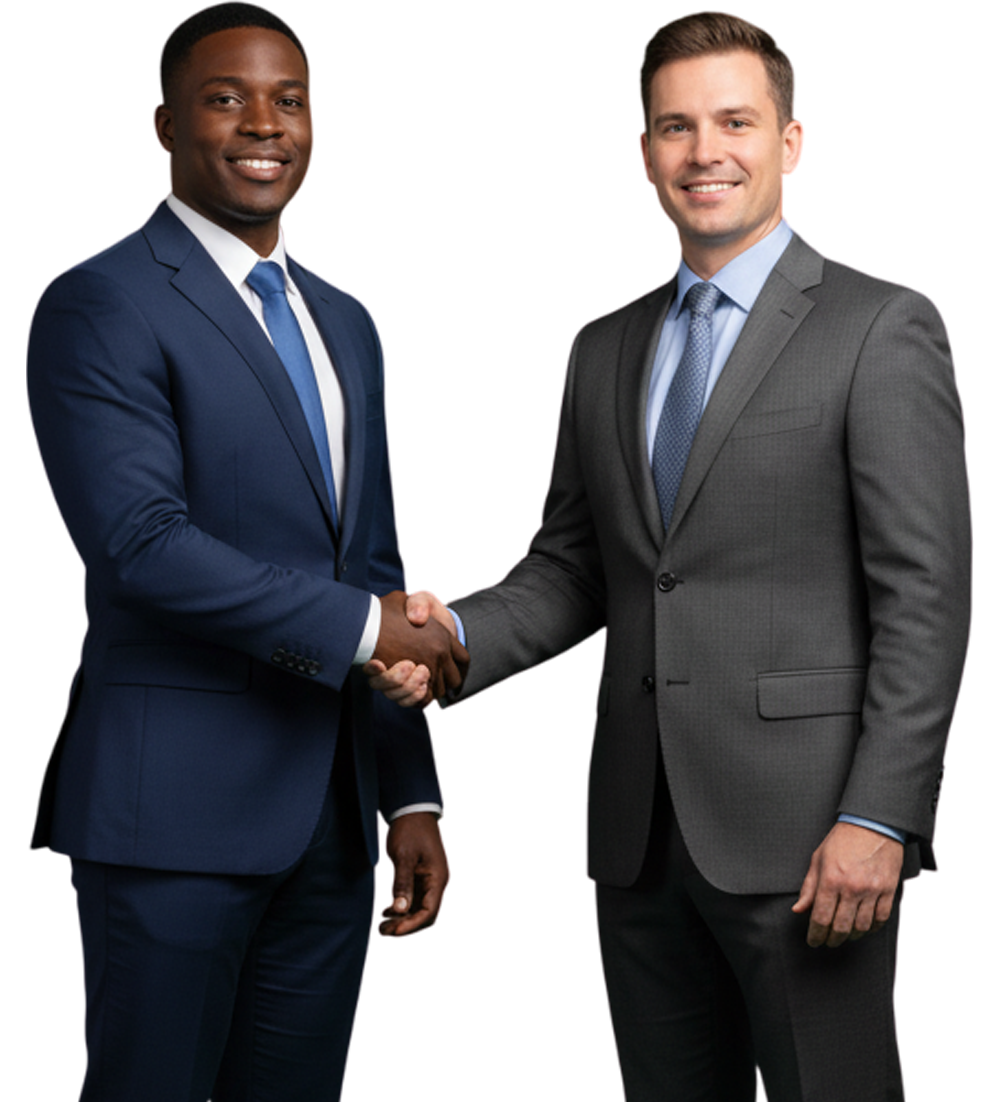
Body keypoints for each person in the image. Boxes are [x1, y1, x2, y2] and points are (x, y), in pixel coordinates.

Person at [366, 13, 970, 1102]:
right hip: (637, 837)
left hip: (811, 839)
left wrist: (879, 817)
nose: (705, 151)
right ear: (646, 152)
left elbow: (926, 597)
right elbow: (574, 569)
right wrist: (453, 632)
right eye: (675, 126)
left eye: (735, 120)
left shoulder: (876, 331)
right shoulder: (607, 351)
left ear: (791, 140)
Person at [27, 4, 468, 1099]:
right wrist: (370, 627)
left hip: (331, 821)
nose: (264, 123)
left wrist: (406, 792)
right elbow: (140, 544)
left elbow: (365, 557)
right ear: (167, 127)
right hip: (172, 817)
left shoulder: (342, 321)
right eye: (227, 98)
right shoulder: (103, 303)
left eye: (290, 99)